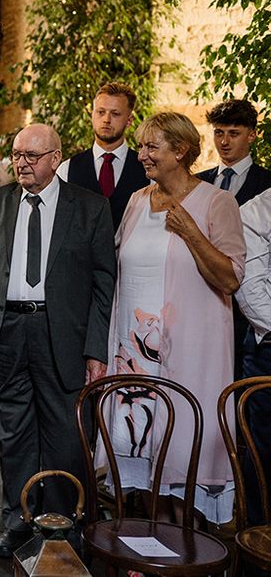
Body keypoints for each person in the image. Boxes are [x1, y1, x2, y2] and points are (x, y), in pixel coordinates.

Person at [0, 124, 116, 558]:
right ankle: (20, 523)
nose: (21, 164)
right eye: (16, 155)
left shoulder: (90, 208)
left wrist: (95, 348)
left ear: (55, 157)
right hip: (8, 332)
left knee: (65, 434)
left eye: (31, 156)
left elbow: (105, 286)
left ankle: (63, 524)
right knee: (15, 434)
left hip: (61, 334)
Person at [102, 112, 245, 526]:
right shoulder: (135, 200)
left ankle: (186, 554)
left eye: (151, 147)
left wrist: (191, 232)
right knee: (142, 466)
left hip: (187, 355)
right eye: (141, 146)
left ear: (180, 151)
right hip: (134, 351)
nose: (141, 155)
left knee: (183, 459)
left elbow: (230, 279)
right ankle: (147, 551)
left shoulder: (218, 202)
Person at [196, 98, 271, 380]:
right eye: (219, 132)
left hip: (250, 316)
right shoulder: (196, 183)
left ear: (252, 135)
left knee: (245, 391)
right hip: (203, 299)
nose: (224, 141)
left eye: (234, 133)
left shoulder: (267, 185)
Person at [57, 82, 149, 230]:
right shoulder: (67, 169)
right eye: (101, 112)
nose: (106, 119)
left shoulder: (148, 171)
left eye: (115, 114)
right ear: (92, 115)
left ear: (129, 121)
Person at [233, 188, 271, 531]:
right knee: (263, 459)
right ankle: (258, 550)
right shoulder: (258, 211)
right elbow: (251, 289)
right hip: (268, 347)